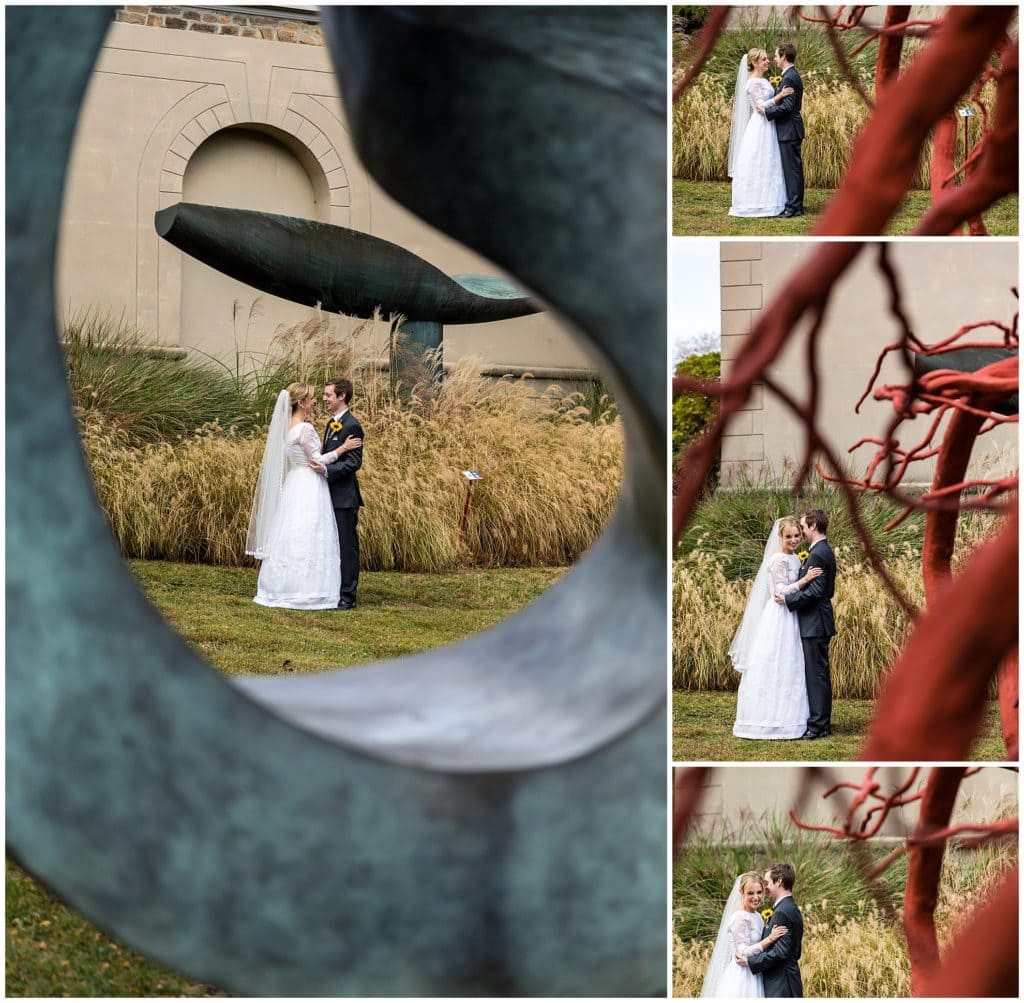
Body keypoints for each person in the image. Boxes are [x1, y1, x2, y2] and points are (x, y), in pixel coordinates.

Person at [246, 382, 361, 609]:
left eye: (326, 395)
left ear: (342, 396)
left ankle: (285, 585)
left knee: (294, 532)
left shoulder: (287, 427)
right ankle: (311, 589)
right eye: (312, 398)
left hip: (296, 483)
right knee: (311, 532)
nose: (317, 400)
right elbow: (316, 460)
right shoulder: (305, 428)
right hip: (309, 482)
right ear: (301, 402)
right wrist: (342, 449)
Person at [729, 517, 822, 739]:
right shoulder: (779, 559)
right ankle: (765, 721)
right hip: (779, 616)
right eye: (788, 536)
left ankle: (790, 720)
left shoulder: (794, 558)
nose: (793, 540)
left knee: (791, 662)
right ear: (780, 536)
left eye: (797, 536)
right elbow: (779, 592)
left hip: (792, 614)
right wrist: (805, 580)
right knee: (775, 660)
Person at [775, 509, 838, 739]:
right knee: (817, 673)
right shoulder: (819, 551)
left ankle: (818, 725)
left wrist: (788, 599)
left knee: (817, 674)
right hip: (816, 621)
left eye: (802, 527)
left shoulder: (819, 554)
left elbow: (817, 591)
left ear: (812, 526)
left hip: (815, 622)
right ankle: (821, 722)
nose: (801, 531)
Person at [727, 48, 794, 218]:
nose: (767, 61)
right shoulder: (752, 83)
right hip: (761, 125)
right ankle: (755, 203)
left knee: (771, 159)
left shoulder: (762, 80)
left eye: (767, 58)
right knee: (759, 159)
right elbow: (759, 107)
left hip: (770, 124)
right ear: (754, 63)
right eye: (764, 59)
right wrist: (780, 97)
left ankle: (773, 200)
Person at [700, 871, 789, 997]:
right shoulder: (740, 917)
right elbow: (741, 953)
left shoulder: (757, 915)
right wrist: (770, 939)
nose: (756, 897)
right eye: (750, 893)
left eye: (759, 892)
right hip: (742, 976)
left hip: (755, 970)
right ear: (742, 893)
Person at [321, 377, 365, 610]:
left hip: (344, 498)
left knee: (347, 547)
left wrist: (326, 470)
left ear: (342, 396)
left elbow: (354, 463)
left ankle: (348, 596)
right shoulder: (332, 423)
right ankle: (333, 590)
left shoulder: (352, 424)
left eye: (328, 394)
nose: (324, 398)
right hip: (329, 496)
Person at [735, 863, 805, 997]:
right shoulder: (788, 907)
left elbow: (780, 952)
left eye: (766, 883)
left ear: (779, 881)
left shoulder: (782, 912)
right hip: (784, 981)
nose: (764, 887)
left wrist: (750, 961)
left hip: (781, 985)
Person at [759, 42, 805, 217]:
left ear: (784, 56)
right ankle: (795, 205)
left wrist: (767, 111)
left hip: (789, 129)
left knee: (792, 169)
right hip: (789, 129)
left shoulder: (789, 77)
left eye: (777, 56)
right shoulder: (790, 75)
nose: (775, 59)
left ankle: (794, 207)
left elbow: (787, 107)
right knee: (792, 169)